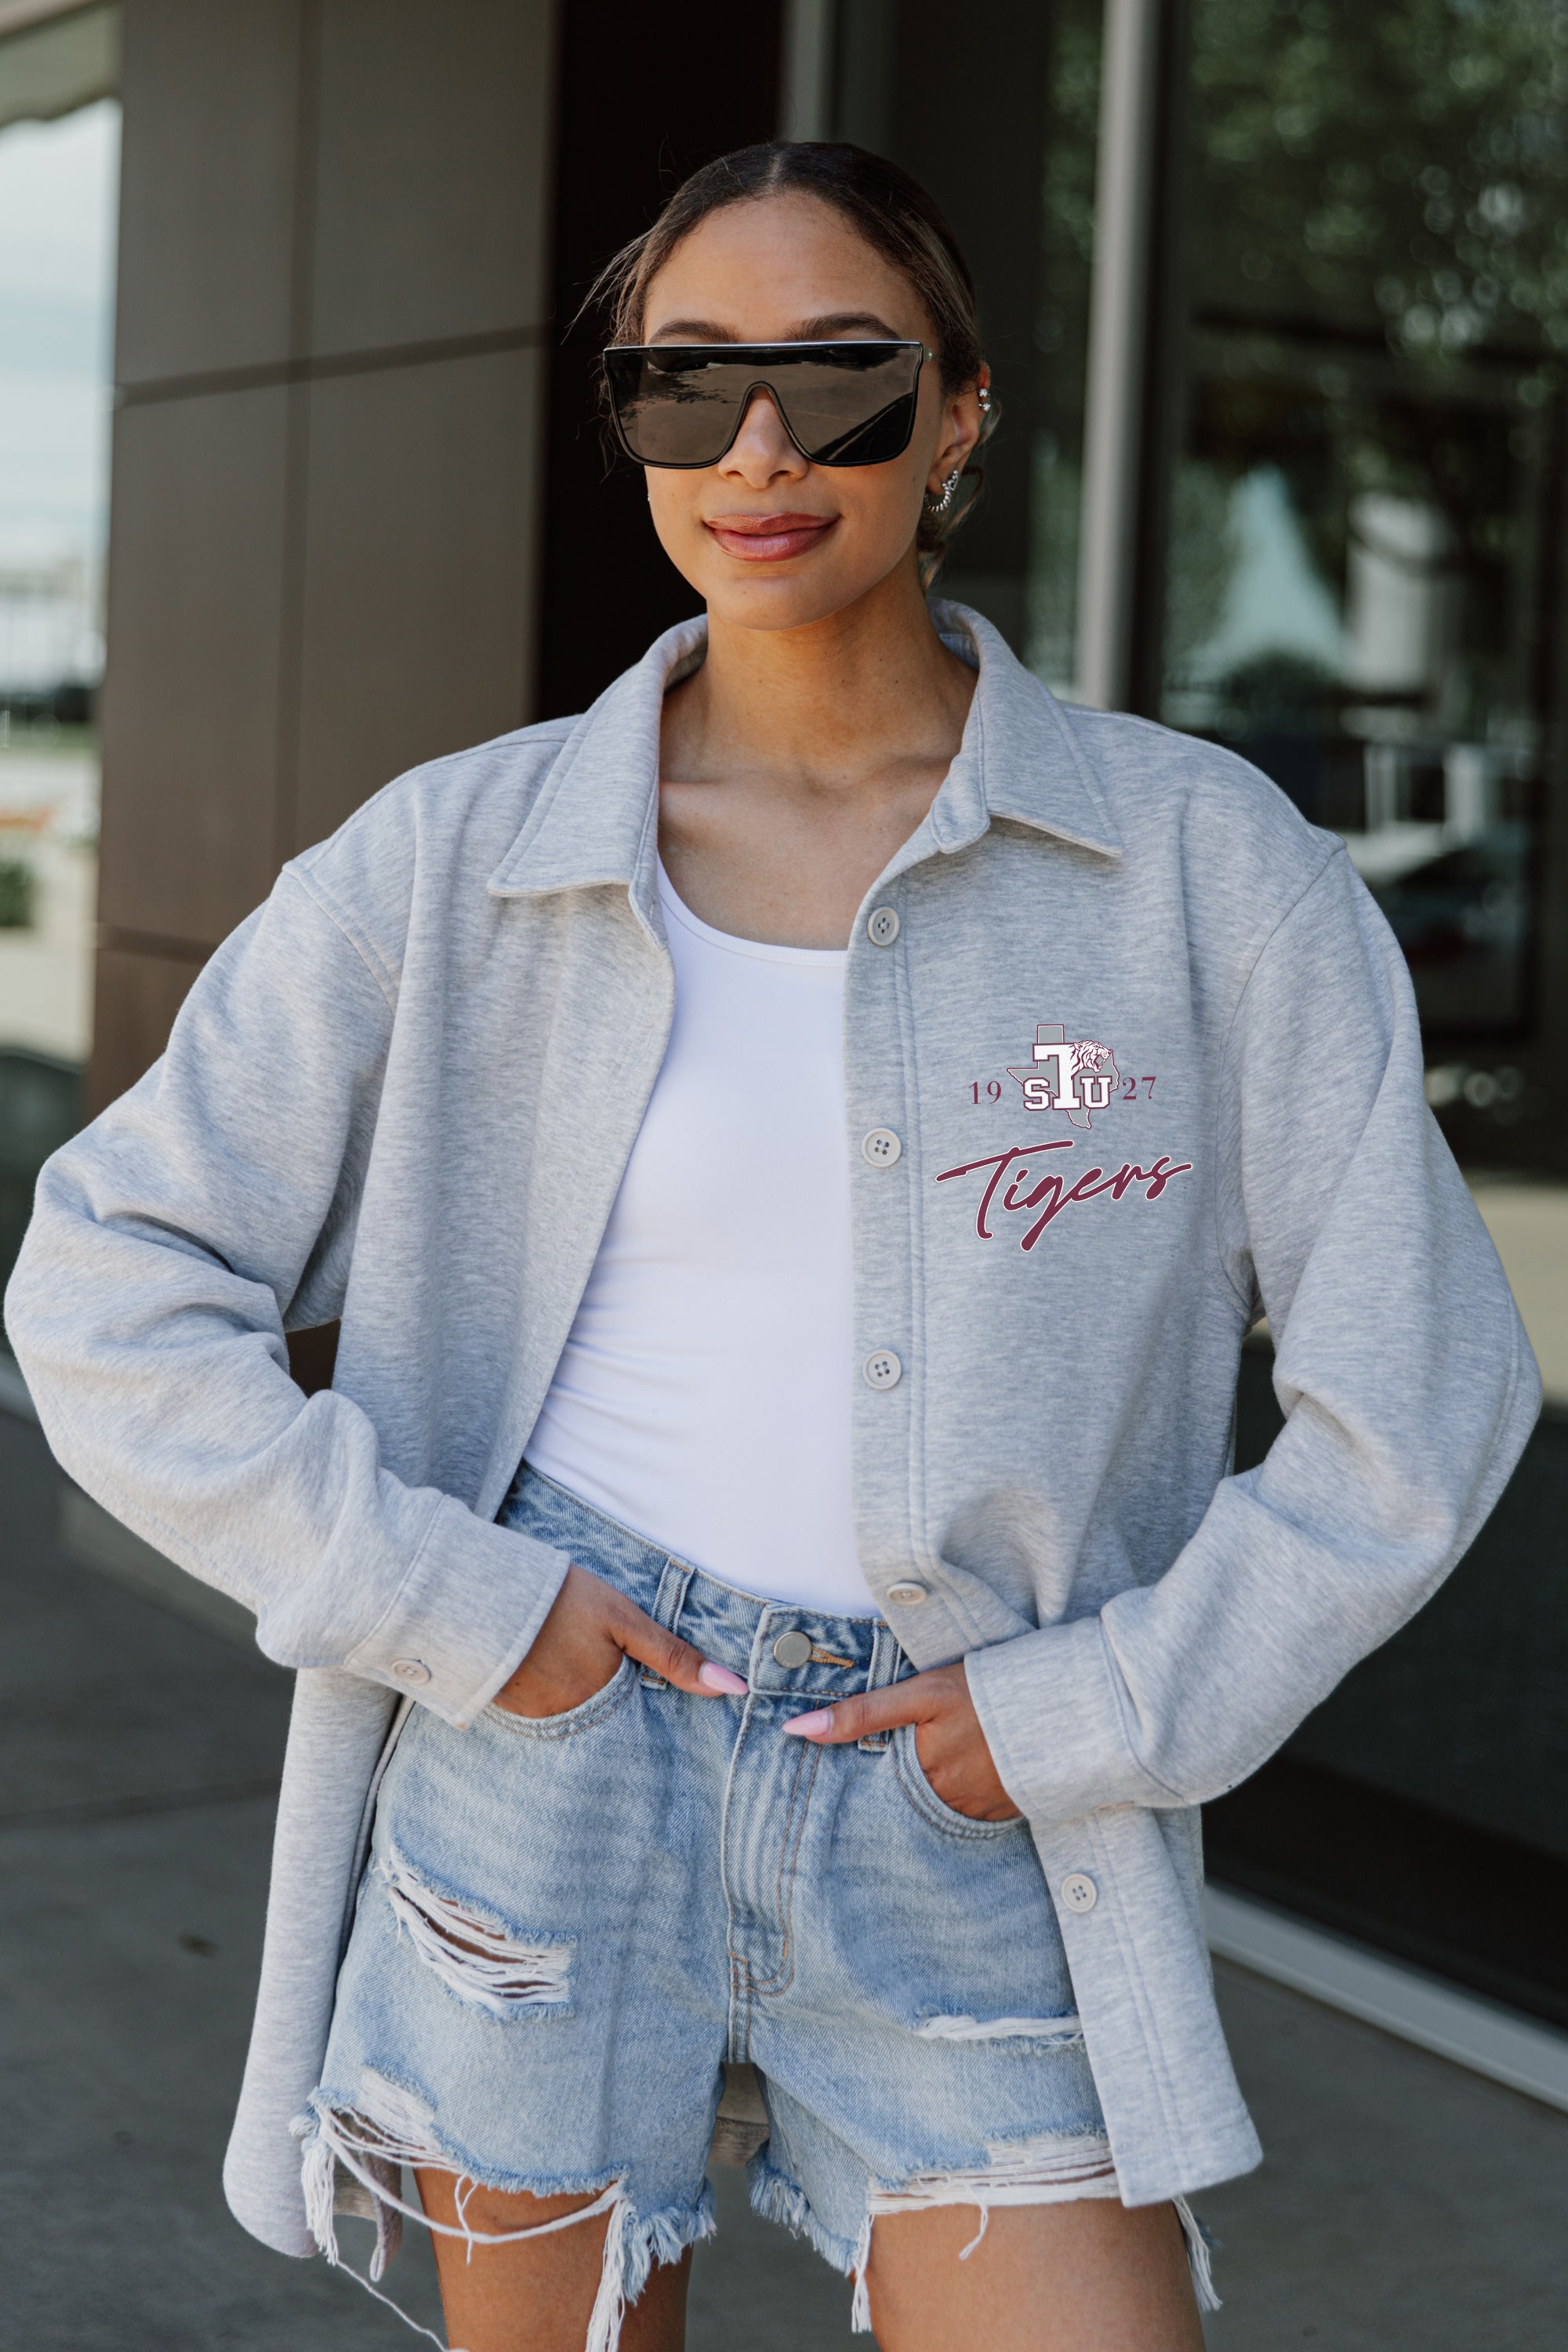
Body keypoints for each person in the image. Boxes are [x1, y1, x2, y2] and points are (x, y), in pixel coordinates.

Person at [5, 141, 1538, 2352]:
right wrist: (455, 1604)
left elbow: (1424, 1394)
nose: (756, 450)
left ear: (962, 413)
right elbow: (106, 1279)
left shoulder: (1197, 871)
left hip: (976, 1788)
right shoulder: (461, 857)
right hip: (549, 1754)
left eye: (838, 381)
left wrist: (1101, 1709)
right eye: (680, 385)